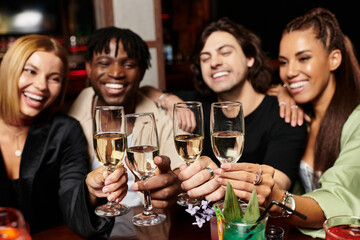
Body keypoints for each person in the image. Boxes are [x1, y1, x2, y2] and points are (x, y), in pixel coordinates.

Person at [208, 8, 360, 238]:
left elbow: (338, 197)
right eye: (283, 62)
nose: (289, 72)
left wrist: (277, 200)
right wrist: (282, 92)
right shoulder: (296, 116)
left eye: (304, 58)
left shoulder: (356, 120)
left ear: (334, 59)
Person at [143, 17, 307, 193]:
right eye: (205, 58)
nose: (214, 63)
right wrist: (167, 99)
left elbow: (278, 188)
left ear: (250, 58)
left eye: (226, 52)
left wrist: (214, 176)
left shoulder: (284, 114)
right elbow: (143, 90)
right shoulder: (196, 107)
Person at [0, 35, 128, 239]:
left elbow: (71, 197)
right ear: (9, 70)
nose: (42, 85)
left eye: (54, 78)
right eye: (30, 71)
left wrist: (90, 190)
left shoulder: (65, 131)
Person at [68, 27, 182, 208]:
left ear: (142, 72)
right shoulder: (71, 111)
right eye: (104, 63)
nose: (116, 73)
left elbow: (181, 171)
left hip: (148, 227)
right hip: (93, 225)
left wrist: (173, 181)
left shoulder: (161, 116)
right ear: (89, 67)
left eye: (128, 65)